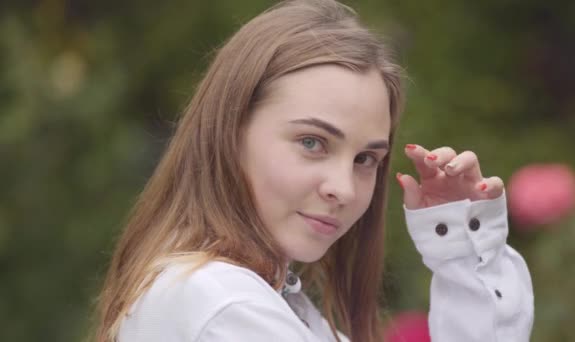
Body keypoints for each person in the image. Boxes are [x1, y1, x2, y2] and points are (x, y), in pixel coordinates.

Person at [94, 0, 534, 341]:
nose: (343, 189)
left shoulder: (259, 301)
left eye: (365, 160)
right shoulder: (224, 306)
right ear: (228, 130)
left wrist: (462, 248)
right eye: (312, 143)